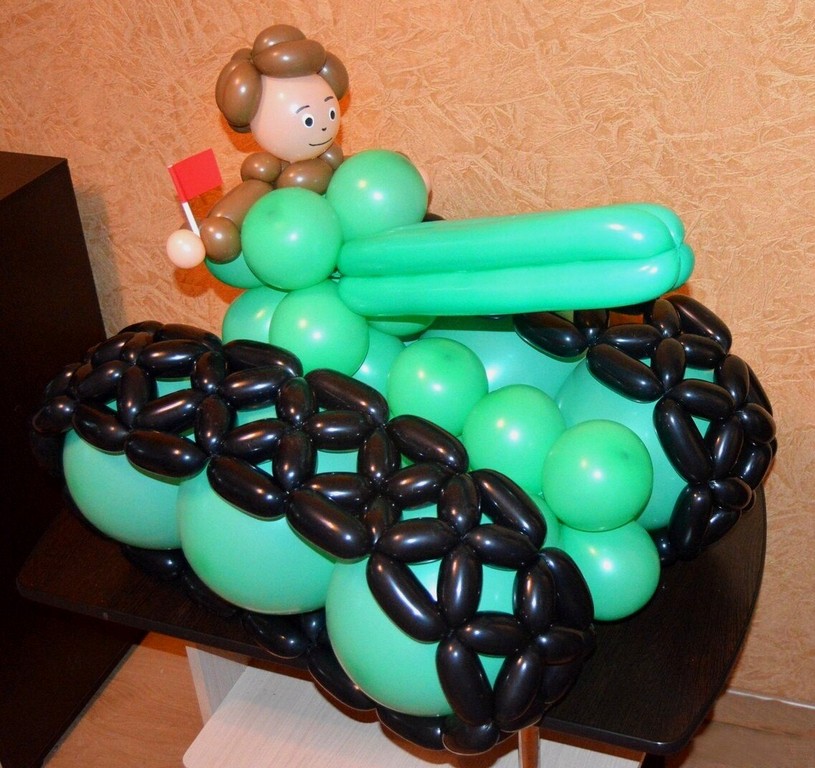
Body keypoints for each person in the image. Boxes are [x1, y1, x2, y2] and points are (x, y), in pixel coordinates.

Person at [167, 24, 349, 267]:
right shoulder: (266, 175)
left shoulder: (333, 165)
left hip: (329, 256)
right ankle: (218, 225)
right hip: (286, 261)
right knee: (259, 180)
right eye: (308, 120)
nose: (324, 127)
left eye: (329, 111)